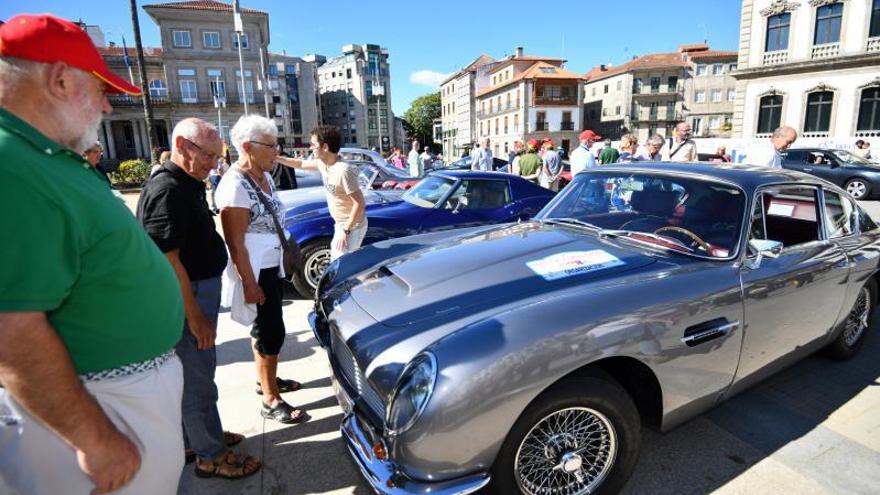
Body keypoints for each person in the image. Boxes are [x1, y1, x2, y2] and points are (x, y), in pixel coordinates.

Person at [0, 14, 186, 495]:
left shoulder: (41, 156)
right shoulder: (12, 165)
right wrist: (93, 438)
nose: (108, 105)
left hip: (114, 395)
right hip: (97, 406)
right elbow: (11, 327)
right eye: (100, 87)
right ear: (58, 80)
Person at [137, 118, 260, 479]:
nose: (213, 164)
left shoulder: (186, 182)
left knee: (199, 373)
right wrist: (194, 316)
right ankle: (210, 456)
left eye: (217, 157)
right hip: (186, 297)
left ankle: (199, 436)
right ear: (182, 145)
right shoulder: (168, 189)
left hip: (197, 291)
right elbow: (166, 257)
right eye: (208, 156)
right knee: (197, 378)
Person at [216, 115, 309, 425]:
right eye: (270, 146)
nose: (276, 151)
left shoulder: (264, 176)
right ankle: (270, 399)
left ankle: (266, 380)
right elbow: (236, 243)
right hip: (256, 271)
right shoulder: (234, 184)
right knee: (268, 332)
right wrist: (249, 284)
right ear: (247, 147)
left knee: (271, 329)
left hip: (271, 267)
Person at [275, 125, 367, 260]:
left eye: (313, 144)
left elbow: (359, 203)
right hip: (340, 224)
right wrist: (277, 158)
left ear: (325, 147)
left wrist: (346, 231)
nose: (310, 148)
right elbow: (300, 164)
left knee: (342, 264)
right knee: (339, 261)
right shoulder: (322, 163)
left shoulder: (343, 171)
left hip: (353, 226)